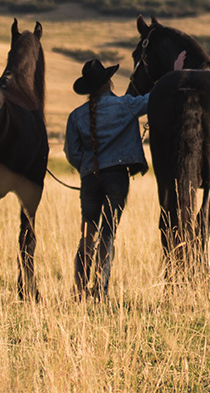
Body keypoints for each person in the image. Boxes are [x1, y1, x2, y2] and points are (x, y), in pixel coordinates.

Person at [64, 58, 150, 299]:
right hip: (116, 178)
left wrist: (86, 167)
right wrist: (174, 74)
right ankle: (100, 289)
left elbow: (72, 153)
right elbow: (152, 100)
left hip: (90, 179)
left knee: (86, 233)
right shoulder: (125, 106)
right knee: (107, 233)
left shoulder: (76, 116)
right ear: (109, 82)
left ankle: (79, 289)